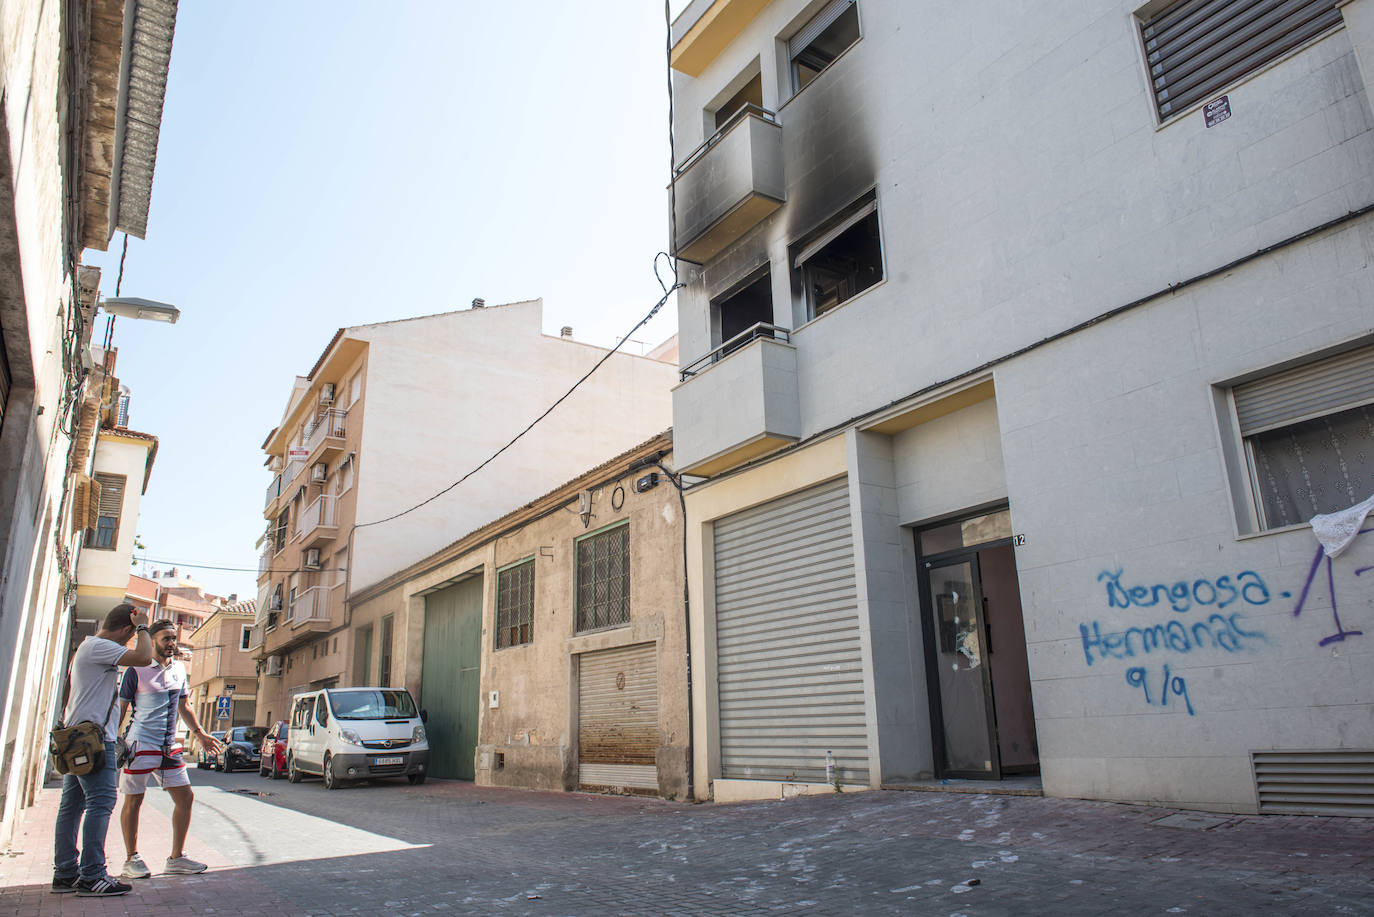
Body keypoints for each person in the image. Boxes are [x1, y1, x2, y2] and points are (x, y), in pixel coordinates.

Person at [52, 603, 153, 897]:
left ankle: (66, 872)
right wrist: (144, 625)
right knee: (101, 803)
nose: (130, 641)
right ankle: (92, 875)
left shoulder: (88, 648)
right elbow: (145, 658)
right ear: (126, 630)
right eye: (131, 635)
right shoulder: (100, 646)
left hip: (77, 738)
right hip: (93, 742)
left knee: (71, 807)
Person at [116, 620, 222, 879]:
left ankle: (176, 858)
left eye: (174, 638)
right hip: (140, 745)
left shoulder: (179, 670)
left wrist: (200, 734)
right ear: (152, 641)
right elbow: (120, 709)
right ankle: (132, 859)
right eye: (166, 639)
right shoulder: (136, 671)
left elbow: (184, 706)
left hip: (168, 747)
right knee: (134, 800)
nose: (172, 644)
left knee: (185, 798)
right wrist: (112, 740)